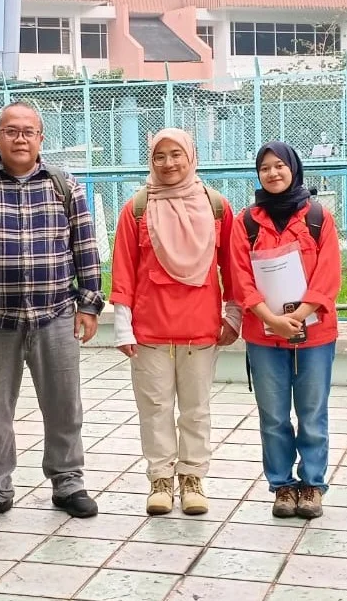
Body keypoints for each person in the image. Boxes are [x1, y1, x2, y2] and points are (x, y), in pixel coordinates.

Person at [0, 101, 105, 525]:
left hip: (56, 317)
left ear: (40, 138)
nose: (20, 138)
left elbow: (86, 249)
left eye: (29, 131)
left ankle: (68, 482)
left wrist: (89, 304)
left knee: (65, 406)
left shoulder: (65, 186)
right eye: (11, 131)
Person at [109, 128, 242, 516]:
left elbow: (230, 267)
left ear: (191, 156)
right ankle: (160, 481)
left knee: (196, 409)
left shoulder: (216, 206)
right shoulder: (136, 207)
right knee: (154, 408)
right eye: (160, 156)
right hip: (150, 330)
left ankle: (193, 479)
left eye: (176, 154)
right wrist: (123, 324)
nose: (169, 163)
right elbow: (124, 270)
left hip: (201, 328)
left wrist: (232, 314)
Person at [230, 141, 341, 519]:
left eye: (280, 165)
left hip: (314, 334)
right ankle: (282, 485)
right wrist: (271, 319)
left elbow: (328, 274)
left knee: (312, 412)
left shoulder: (317, 217)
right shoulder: (245, 222)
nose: (273, 173)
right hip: (264, 334)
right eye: (265, 168)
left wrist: (301, 312)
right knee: (273, 414)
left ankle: (312, 483)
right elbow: (239, 279)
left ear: (294, 168)